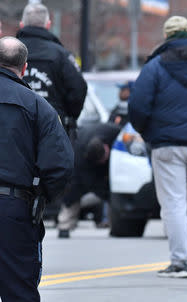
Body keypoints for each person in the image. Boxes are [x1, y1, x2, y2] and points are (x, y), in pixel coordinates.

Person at [128, 15, 187, 278]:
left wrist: (149, 133)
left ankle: (179, 261)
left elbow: (137, 106)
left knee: (173, 204)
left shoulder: (155, 65)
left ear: (167, 36)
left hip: (166, 144)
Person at [0, 36, 73, 301]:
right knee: (18, 290)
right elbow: (60, 164)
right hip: (12, 206)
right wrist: (40, 196)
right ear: (24, 67)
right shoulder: (37, 105)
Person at [16, 3, 87, 143]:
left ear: (21, 24)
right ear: (48, 25)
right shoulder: (61, 55)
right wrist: (67, 115)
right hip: (53, 130)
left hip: (12, 130)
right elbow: (79, 88)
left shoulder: (7, 52)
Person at [57, 123, 121, 238]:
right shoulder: (81, 157)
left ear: (106, 147)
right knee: (72, 193)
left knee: (115, 192)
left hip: (112, 163)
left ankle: (116, 226)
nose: (102, 161)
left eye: (104, 158)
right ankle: (64, 225)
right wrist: (106, 193)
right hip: (78, 164)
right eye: (100, 161)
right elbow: (91, 183)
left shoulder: (111, 131)